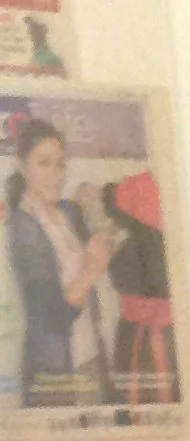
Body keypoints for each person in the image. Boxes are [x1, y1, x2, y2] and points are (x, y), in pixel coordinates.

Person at [5, 118, 114, 409]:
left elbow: (105, 242)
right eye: (44, 163)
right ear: (22, 167)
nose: (56, 175)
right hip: (56, 373)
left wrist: (91, 204)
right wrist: (91, 270)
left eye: (60, 164)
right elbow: (53, 314)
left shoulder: (67, 211)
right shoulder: (22, 227)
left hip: (91, 359)